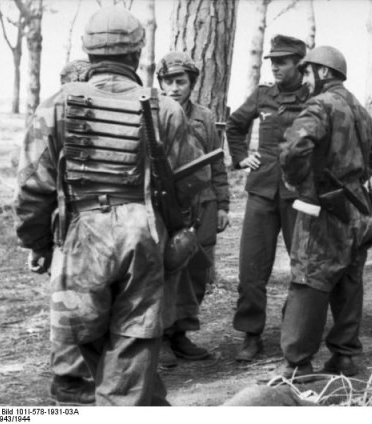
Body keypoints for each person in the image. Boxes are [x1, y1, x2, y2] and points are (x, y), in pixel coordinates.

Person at [14, 6, 209, 406]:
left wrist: (37, 244)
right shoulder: (166, 108)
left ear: (89, 52)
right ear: (136, 54)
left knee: (83, 338)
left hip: (81, 235)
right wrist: (174, 226)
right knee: (134, 343)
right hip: (144, 233)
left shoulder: (57, 103)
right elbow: (194, 182)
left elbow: (34, 186)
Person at [275, 46, 372, 378]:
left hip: (321, 208)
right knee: (348, 281)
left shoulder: (320, 105)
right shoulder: (358, 108)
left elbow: (294, 148)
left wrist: (302, 183)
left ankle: (296, 363)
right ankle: (345, 356)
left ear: (323, 73)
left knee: (309, 279)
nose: (305, 80)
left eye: (308, 73)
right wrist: (351, 181)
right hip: (357, 207)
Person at [226, 35, 308, 362]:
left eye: (282, 61)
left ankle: (295, 325)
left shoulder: (314, 96)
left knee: (302, 263)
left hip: (299, 194)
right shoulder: (263, 95)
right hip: (261, 191)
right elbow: (235, 125)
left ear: (299, 64)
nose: (274, 66)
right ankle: (251, 333)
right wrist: (241, 157)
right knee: (251, 267)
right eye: (272, 61)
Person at [155, 51, 230, 366]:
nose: (174, 88)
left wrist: (223, 202)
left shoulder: (204, 117)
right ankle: (158, 338)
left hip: (204, 202)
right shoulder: (153, 114)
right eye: (168, 81)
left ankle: (180, 334)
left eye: (180, 81)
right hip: (168, 204)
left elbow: (216, 162)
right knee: (166, 269)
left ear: (192, 83)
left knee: (198, 270)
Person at [48, 59, 94, 405]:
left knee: (84, 299)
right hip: (69, 217)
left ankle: (80, 371)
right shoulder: (57, 112)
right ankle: (67, 379)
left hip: (86, 217)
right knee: (69, 302)